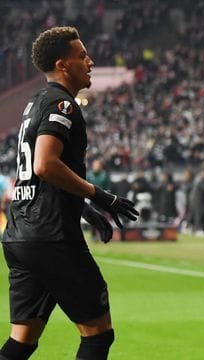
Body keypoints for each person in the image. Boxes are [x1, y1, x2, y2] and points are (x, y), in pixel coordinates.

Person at [1, 26, 139, 360]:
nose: (90, 62)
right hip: (51, 238)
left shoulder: (36, 102)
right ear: (63, 65)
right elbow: (45, 165)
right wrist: (100, 196)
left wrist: (80, 207)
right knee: (97, 335)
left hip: (22, 235)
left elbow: (40, 177)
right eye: (82, 56)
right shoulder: (61, 104)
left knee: (22, 340)